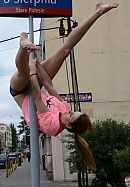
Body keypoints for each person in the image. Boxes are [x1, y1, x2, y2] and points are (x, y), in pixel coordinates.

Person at [9, 2, 119, 171]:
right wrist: (37, 66)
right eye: (73, 111)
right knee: (65, 50)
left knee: (22, 74)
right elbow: (49, 85)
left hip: (21, 92)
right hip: (36, 84)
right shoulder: (64, 108)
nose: (69, 110)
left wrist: (32, 71)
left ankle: (23, 42)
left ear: (68, 125)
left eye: (71, 115)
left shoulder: (53, 126)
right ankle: (98, 12)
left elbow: (37, 98)